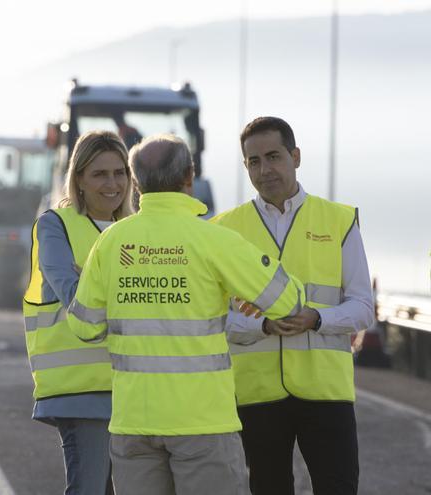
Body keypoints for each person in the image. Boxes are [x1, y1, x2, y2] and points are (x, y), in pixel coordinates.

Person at [67, 134, 306, 495]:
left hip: (134, 423)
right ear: (189, 177)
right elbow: (288, 302)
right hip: (203, 422)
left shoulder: (112, 241)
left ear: (135, 181)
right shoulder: (213, 240)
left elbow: (83, 326)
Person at [210, 116, 374, 495]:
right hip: (256, 394)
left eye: (273, 156)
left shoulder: (339, 220)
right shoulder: (222, 230)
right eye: (254, 161)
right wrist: (261, 327)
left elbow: (364, 306)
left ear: (295, 156)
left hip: (326, 392)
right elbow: (214, 319)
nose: (264, 170)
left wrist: (317, 318)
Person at [23, 130, 136, 495]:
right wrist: (122, 287)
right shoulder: (56, 225)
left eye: (120, 173)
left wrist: (89, 276)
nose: (112, 183)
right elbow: (74, 298)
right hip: (81, 388)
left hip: (134, 387)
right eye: (100, 174)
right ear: (80, 180)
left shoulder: (136, 230)